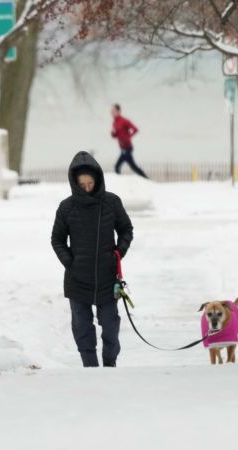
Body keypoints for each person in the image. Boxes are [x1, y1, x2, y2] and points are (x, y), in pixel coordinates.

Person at [51, 151, 134, 368]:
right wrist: (70, 262)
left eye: (90, 183)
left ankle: (109, 363)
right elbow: (57, 240)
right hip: (77, 279)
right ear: (75, 183)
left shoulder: (112, 202)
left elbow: (126, 230)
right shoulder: (66, 207)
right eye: (82, 184)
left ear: (97, 179)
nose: (87, 188)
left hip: (107, 277)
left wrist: (118, 253)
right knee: (82, 326)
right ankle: (90, 366)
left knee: (110, 325)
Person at [110, 104, 149, 178]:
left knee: (117, 166)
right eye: (111, 111)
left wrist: (127, 138)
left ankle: (118, 182)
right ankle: (146, 179)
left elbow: (135, 129)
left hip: (127, 147)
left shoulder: (124, 121)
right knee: (133, 167)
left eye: (113, 111)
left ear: (118, 111)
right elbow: (117, 135)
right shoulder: (114, 123)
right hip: (122, 148)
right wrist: (113, 134)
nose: (112, 113)